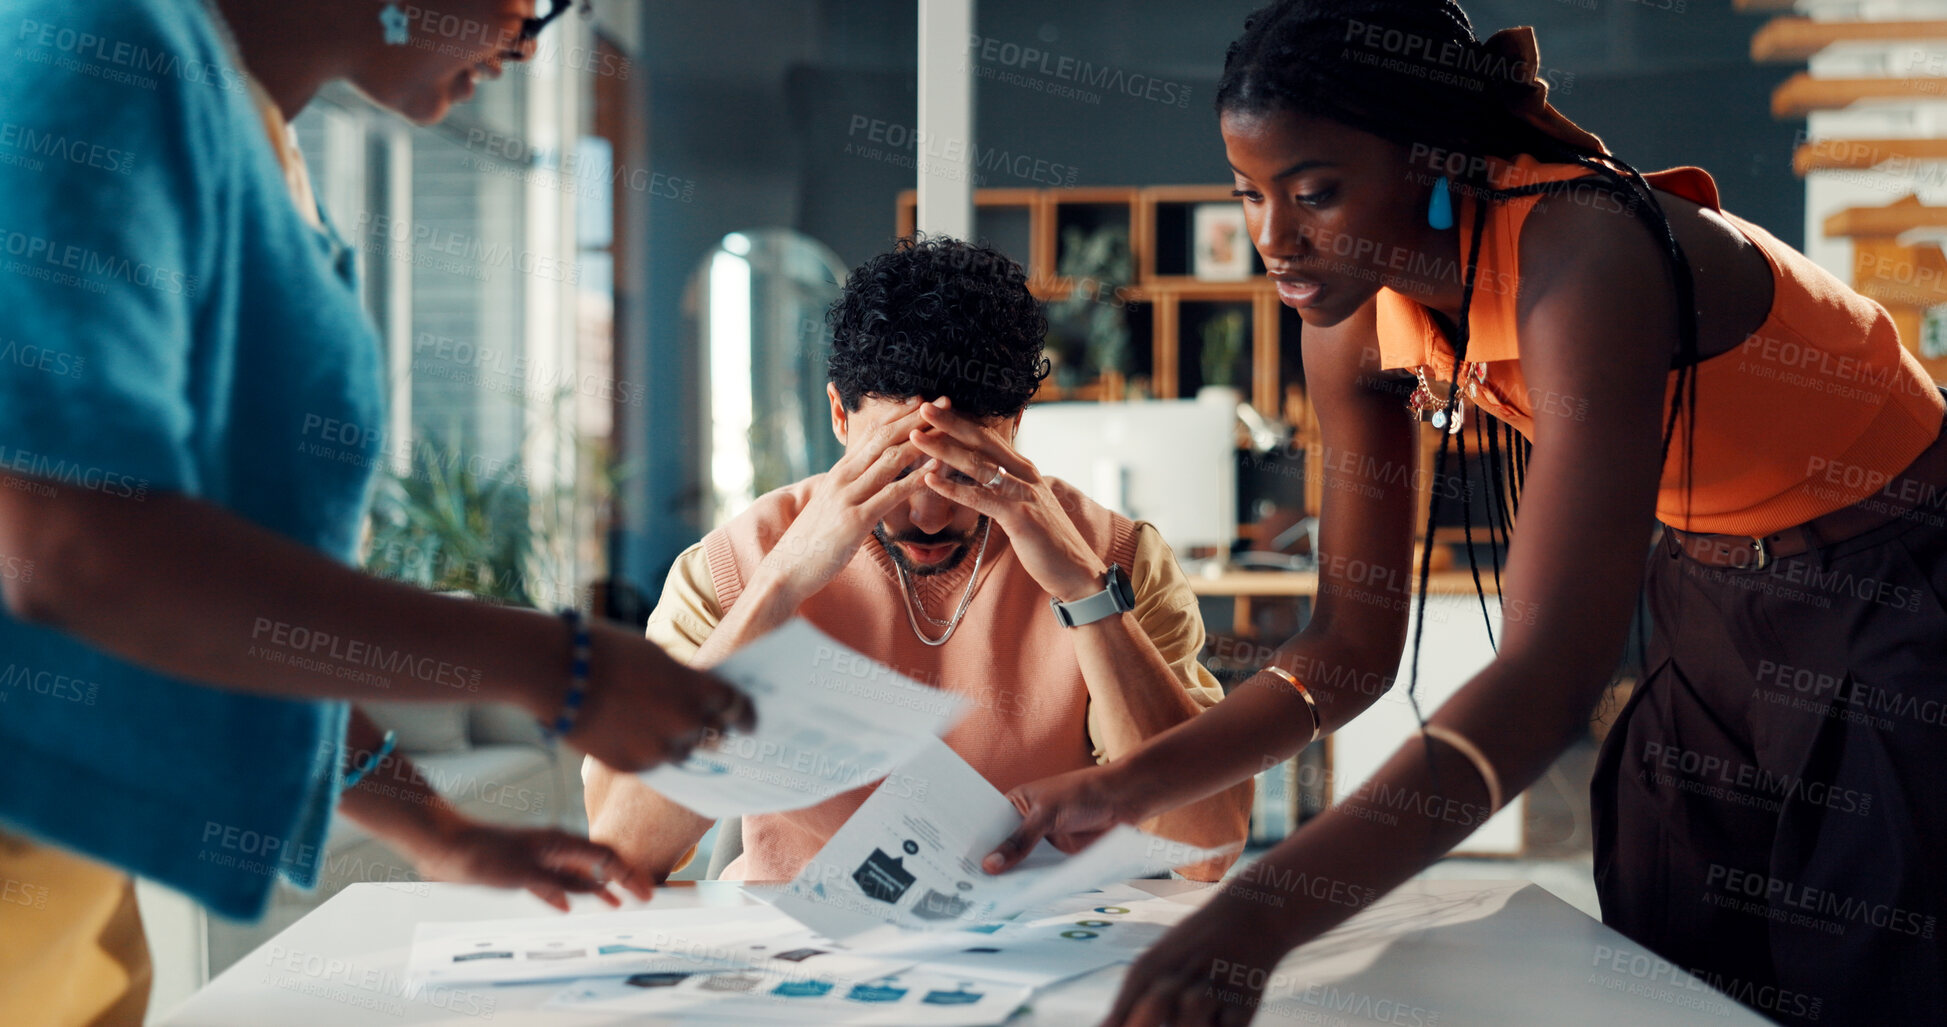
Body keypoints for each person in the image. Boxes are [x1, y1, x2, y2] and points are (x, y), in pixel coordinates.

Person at [979, 3, 1947, 1026]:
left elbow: (1548, 675)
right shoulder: (1349, 313)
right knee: (1675, 974)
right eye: (1249, 195)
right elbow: (1349, 644)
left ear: (1431, 159)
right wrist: (1123, 789)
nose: (1274, 238)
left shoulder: (1586, 250)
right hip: (1708, 589)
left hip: (1898, 584)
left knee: (1869, 973)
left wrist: (1259, 914)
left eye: (1314, 192)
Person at [0, 1, 748, 1022]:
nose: (528, 42)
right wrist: (552, 666)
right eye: (537, 4)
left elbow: (231, 595)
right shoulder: (99, 41)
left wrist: (443, 835)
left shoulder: (251, 141)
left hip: (72, 907)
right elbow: (71, 549)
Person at [584, 236, 1252, 884]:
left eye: (966, 466)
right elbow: (621, 851)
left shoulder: (1118, 560)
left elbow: (1204, 845)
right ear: (840, 418)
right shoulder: (732, 564)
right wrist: (779, 584)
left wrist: (1084, 590)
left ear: (1014, 423)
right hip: (796, 956)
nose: (929, 513)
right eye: (897, 464)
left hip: (1044, 954)